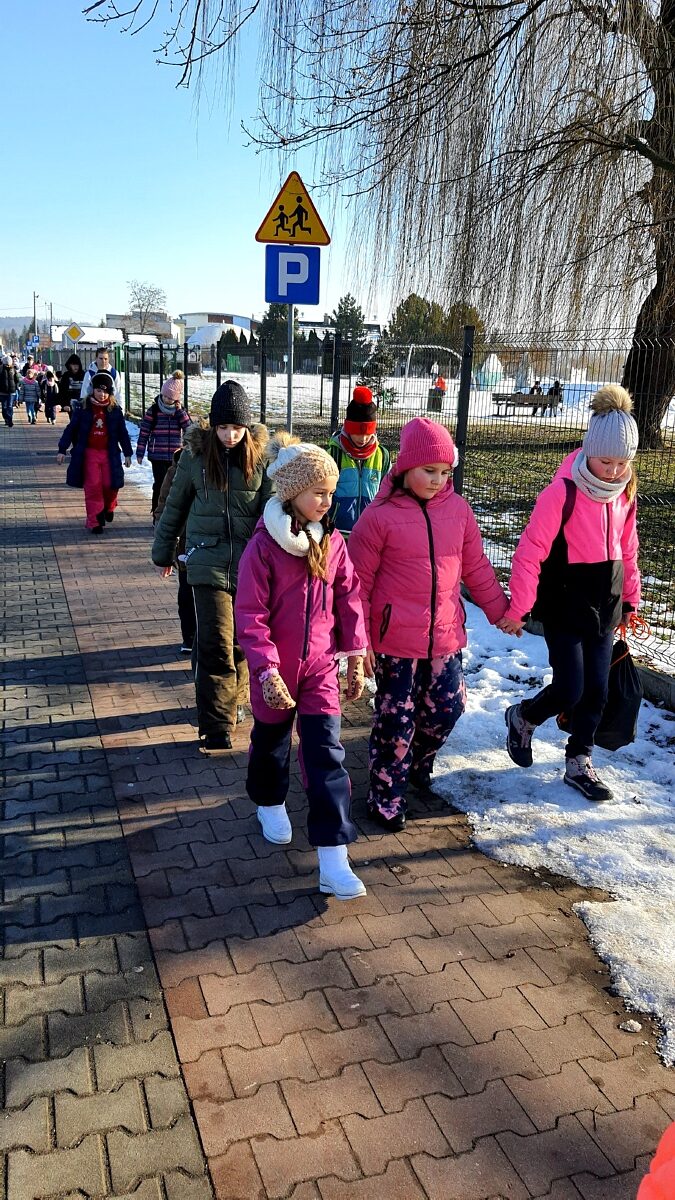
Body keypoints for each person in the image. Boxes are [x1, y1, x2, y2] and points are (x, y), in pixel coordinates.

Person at [348, 417, 509, 832]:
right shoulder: (379, 516)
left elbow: (476, 567)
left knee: (448, 707)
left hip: (444, 635)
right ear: (406, 468)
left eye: (445, 472)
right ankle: (385, 795)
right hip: (393, 641)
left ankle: (417, 762)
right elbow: (357, 584)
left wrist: (500, 611)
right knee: (395, 720)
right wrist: (360, 641)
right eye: (429, 471)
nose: (438, 480)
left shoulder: (458, 511)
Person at [235, 434, 368, 900]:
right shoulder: (263, 548)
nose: (327, 501)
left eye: (331, 492)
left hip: (319, 670)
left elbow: (349, 599)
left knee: (326, 755)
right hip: (274, 672)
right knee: (271, 743)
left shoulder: (332, 543)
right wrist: (265, 670)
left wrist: (355, 656)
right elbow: (250, 614)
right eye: (318, 492)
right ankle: (269, 801)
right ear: (292, 493)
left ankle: (334, 859)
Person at [500, 386, 641, 803]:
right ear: (589, 450)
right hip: (565, 604)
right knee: (571, 688)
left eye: (622, 463)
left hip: (606, 605)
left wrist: (630, 600)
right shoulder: (563, 492)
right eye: (606, 461)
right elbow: (530, 552)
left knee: (597, 690)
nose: (613, 471)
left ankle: (579, 759)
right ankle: (524, 717)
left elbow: (628, 549)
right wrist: (519, 607)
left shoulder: (625, 493)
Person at [152, 381, 271, 752]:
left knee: (241, 642)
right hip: (205, 561)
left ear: (246, 427)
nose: (230, 435)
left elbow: (272, 514)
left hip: (249, 565)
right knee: (216, 642)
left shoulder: (263, 460)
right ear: (213, 426)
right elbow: (175, 505)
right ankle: (216, 726)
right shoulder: (196, 457)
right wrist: (163, 551)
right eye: (223, 427)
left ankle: (232, 701)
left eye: (236, 428)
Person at [56, 371, 133, 533]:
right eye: (98, 390)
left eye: (105, 391)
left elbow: (122, 433)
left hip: (109, 453)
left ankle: (109, 506)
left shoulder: (114, 410)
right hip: (90, 453)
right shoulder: (83, 408)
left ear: (110, 393)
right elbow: (71, 429)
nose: (102, 394)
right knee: (93, 486)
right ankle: (95, 520)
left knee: (110, 484)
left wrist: (127, 453)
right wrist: (62, 449)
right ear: (92, 390)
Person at [326, 385, 390, 537]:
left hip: (371, 533)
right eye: (357, 433)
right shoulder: (334, 454)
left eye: (368, 433)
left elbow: (388, 493)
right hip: (339, 532)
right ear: (348, 428)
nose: (363, 439)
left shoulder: (382, 456)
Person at [154, 443, 197, 655]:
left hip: (221, 546)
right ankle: (189, 637)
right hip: (186, 542)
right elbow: (165, 507)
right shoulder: (181, 464)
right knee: (187, 591)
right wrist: (167, 550)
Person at [135, 371, 191, 516]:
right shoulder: (153, 410)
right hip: (157, 455)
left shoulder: (180, 412)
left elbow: (189, 428)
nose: (166, 399)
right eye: (165, 396)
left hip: (174, 455)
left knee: (173, 485)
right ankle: (156, 512)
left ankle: (170, 514)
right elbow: (144, 432)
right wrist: (140, 452)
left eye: (170, 398)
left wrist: (180, 412)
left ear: (176, 399)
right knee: (160, 484)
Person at [0, 353, 19, 428]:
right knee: (4, 407)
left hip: (11, 391)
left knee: (10, 406)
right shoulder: (0, 369)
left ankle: (10, 420)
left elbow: (17, 379)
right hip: (2, 391)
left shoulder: (13, 369)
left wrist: (15, 386)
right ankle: (7, 418)